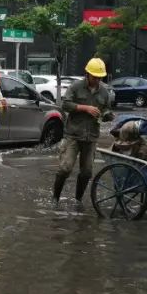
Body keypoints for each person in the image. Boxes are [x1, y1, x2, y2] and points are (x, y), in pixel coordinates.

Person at [53, 57, 114, 205]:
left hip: (91, 137)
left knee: (87, 172)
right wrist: (84, 108)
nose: (97, 80)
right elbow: (65, 104)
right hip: (73, 135)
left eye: (100, 77)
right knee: (65, 168)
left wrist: (107, 115)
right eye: (95, 77)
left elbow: (107, 109)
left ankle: (78, 200)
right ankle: (55, 198)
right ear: (87, 74)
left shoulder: (104, 92)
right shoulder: (75, 87)